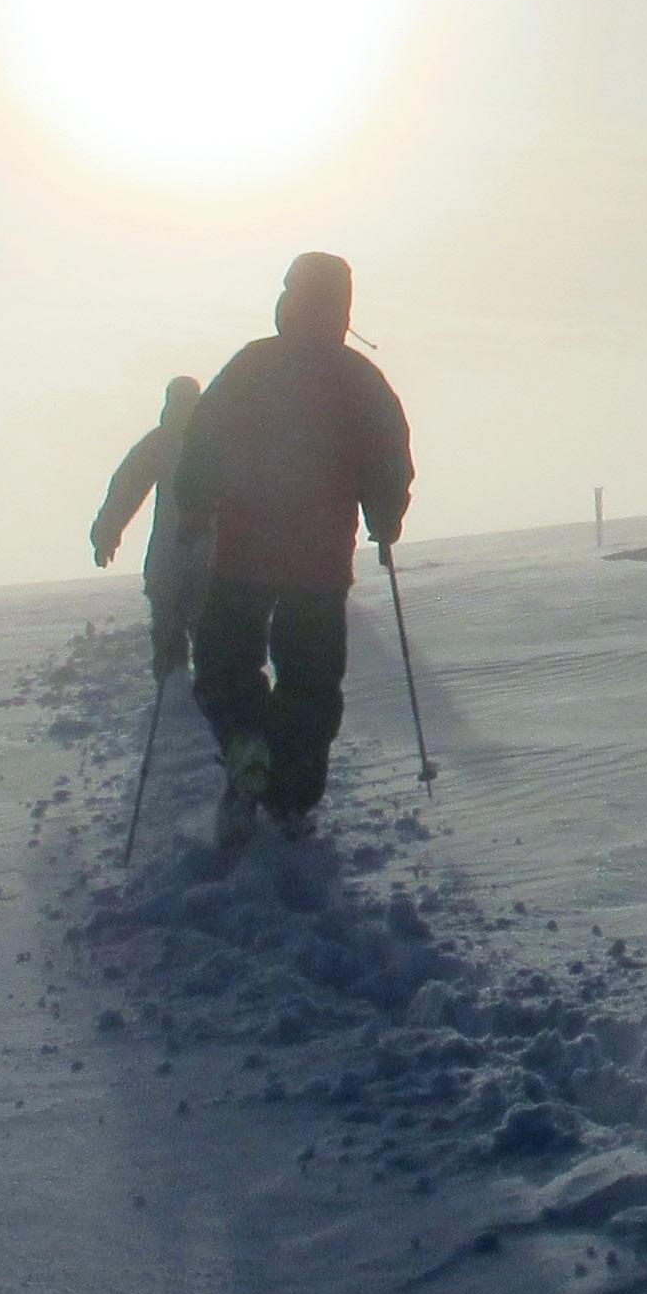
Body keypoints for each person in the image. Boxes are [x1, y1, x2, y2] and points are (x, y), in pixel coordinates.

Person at [174, 252, 413, 848]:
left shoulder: (253, 364)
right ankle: (291, 800)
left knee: (223, 662)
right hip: (319, 563)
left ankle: (245, 743)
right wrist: (385, 519)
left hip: (244, 551)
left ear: (288, 301)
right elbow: (389, 457)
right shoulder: (360, 379)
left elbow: (203, 438)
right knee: (310, 679)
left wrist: (194, 506)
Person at [90, 374, 211, 676]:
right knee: (194, 624)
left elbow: (125, 488)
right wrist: (106, 533)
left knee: (178, 621)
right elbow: (126, 488)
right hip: (198, 550)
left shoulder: (164, 441)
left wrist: (106, 533)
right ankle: (186, 684)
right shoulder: (215, 439)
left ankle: (180, 683)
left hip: (184, 551)